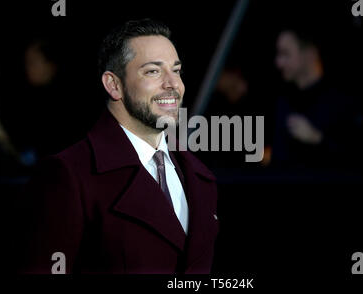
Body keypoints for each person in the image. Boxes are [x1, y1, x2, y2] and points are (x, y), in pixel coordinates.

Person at [17, 19, 219, 274]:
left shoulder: (200, 177)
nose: (173, 84)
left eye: (176, 70)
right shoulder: (69, 175)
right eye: (153, 71)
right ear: (114, 85)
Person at [271, 27, 363, 171]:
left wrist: (317, 139)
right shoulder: (283, 102)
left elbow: (356, 157)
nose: (279, 63)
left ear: (310, 54)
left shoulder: (341, 102)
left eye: (286, 54)